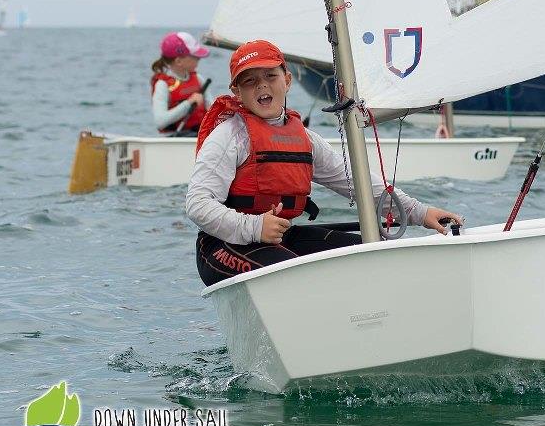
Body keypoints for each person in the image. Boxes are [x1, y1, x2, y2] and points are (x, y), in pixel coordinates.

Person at [185, 40, 463, 287]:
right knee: (292, 274)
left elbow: (359, 184)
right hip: (222, 245)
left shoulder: (305, 140)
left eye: (270, 75)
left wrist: (419, 212)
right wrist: (254, 227)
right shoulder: (230, 136)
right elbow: (197, 204)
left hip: (279, 236)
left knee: (374, 253)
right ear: (236, 91)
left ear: (288, 80)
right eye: (249, 81)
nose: (262, 85)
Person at [150, 32, 214, 136]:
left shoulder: (199, 79)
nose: (199, 59)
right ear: (179, 61)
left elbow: (212, 108)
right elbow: (160, 122)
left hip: (200, 136)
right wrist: (188, 104)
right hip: (175, 139)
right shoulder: (162, 85)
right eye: (195, 57)